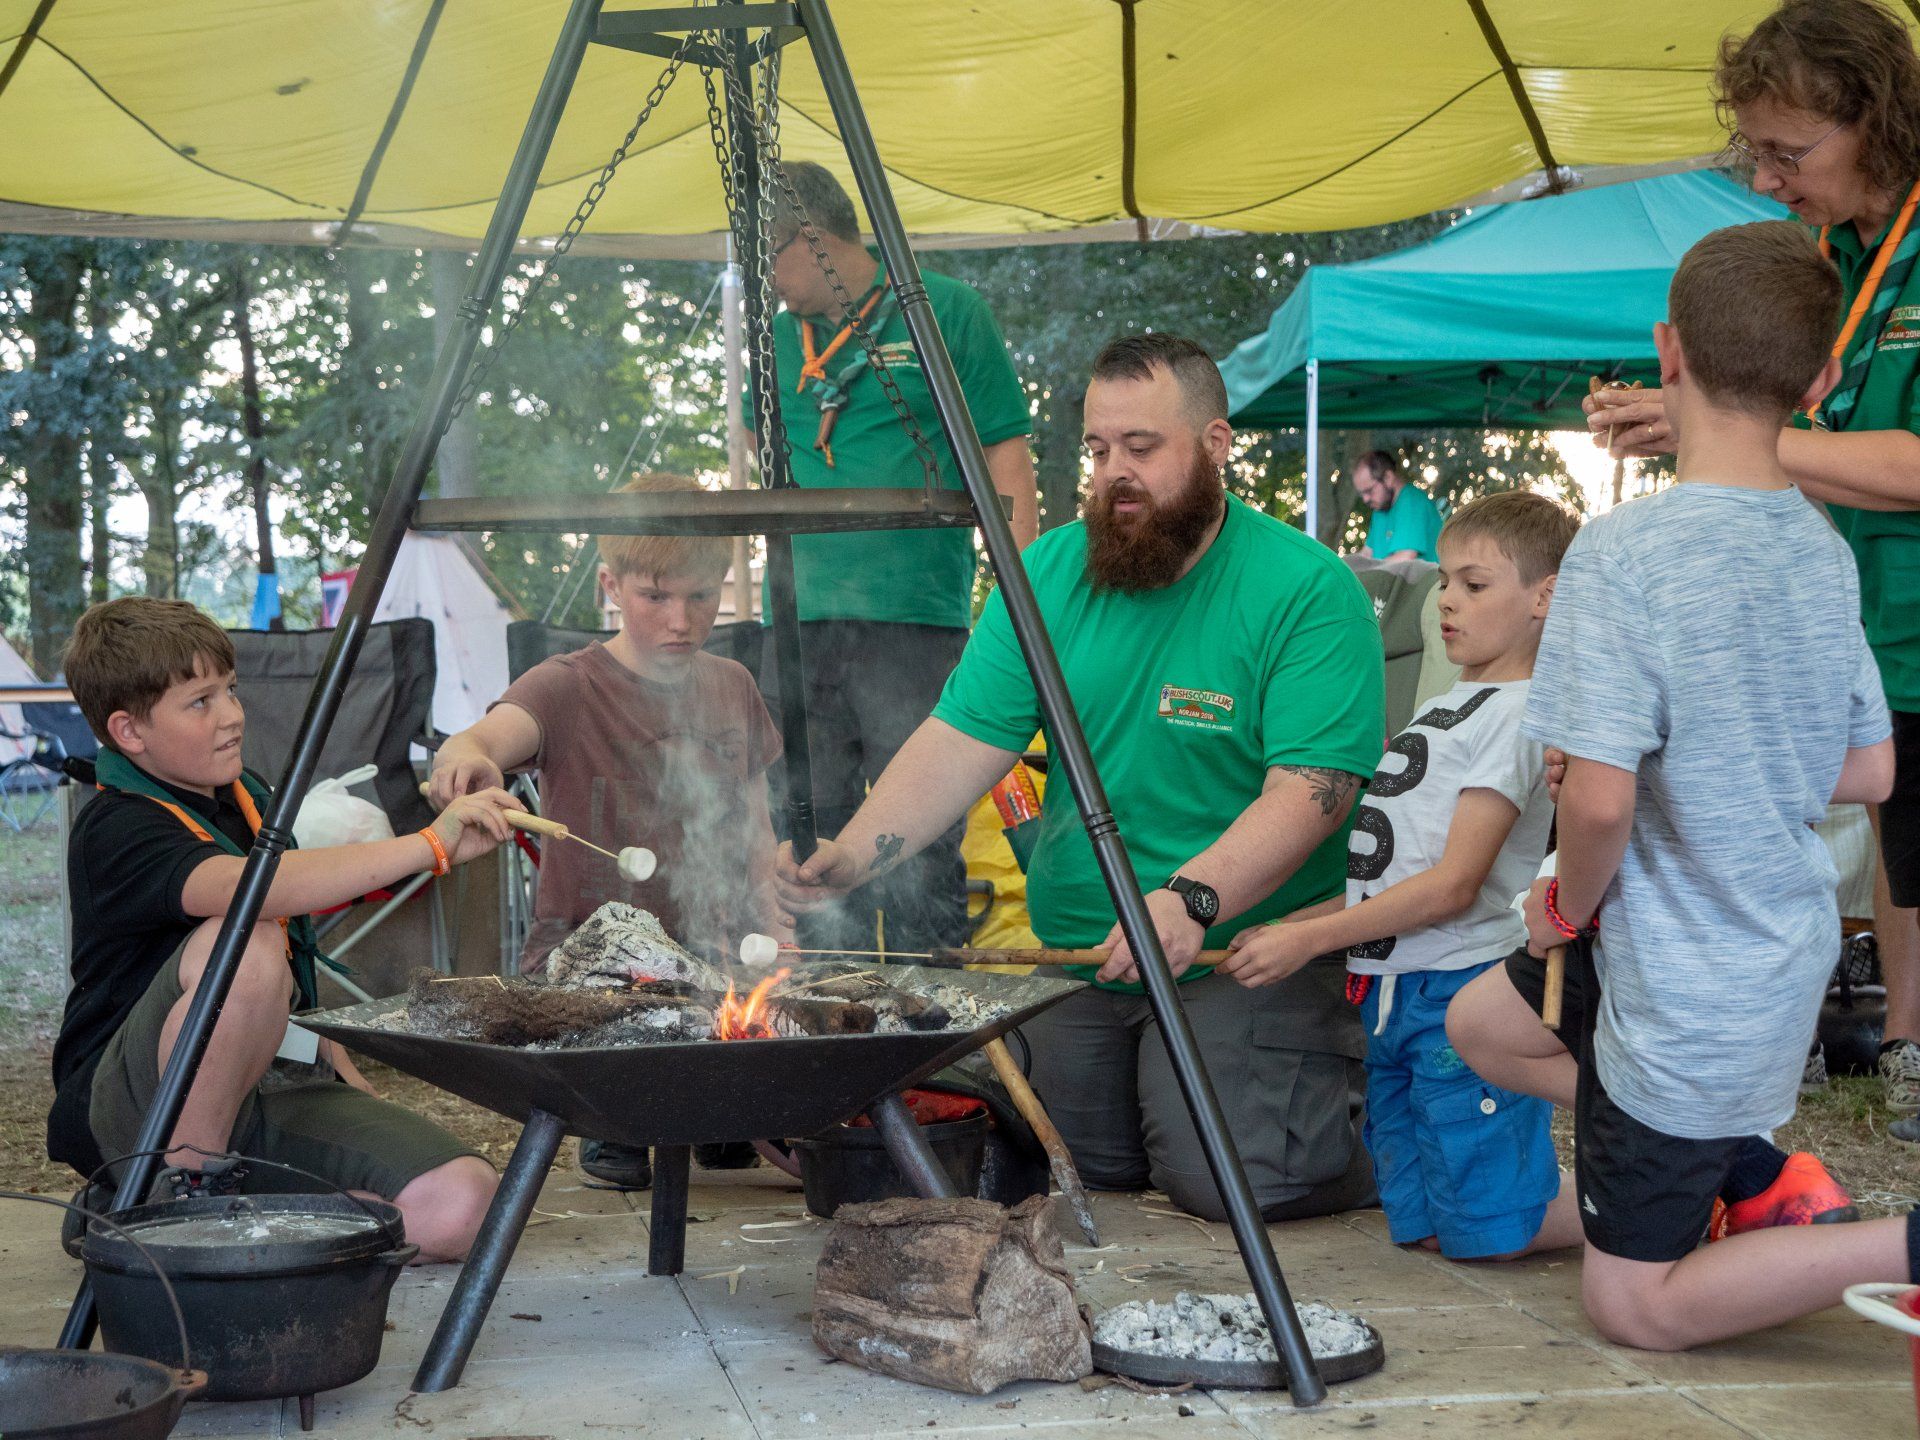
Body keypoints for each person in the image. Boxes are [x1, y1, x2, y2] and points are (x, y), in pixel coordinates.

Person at [776, 333, 1386, 1222]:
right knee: (1078, 1175)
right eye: (1099, 450)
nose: (1113, 475)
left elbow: (1312, 794)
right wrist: (853, 855)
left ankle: (1353, 1120)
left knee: (1230, 1185)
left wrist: (1189, 901)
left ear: (1216, 445)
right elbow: (960, 740)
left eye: (1142, 449)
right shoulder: (1049, 571)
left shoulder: (1306, 590)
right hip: (1078, 955)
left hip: (1233, 951)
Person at [1469, 222, 1913, 1352]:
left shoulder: (1622, 554)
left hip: (1683, 979)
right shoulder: (1822, 545)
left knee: (1632, 1310)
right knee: (1481, 1023)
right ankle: (1745, 1168)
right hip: (1767, 947)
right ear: (1819, 383)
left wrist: (1564, 901)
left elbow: (1603, 806)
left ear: (1668, 351)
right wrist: (1726, 748)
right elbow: (1870, 768)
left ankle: (1902, 1246)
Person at [1586, 0, 1920, 1139]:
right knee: (1897, 836)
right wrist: (1707, 422)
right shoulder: (1829, 255)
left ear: (1873, 119)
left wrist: (1725, 430)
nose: (1770, 180)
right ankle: (1903, 1054)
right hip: (1866, 611)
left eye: (1790, 152)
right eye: (1757, 154)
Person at [48, 598, 510, 1260]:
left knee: (465, 1205)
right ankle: (179, 1201)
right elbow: (254, 895)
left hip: (267, 1077)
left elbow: (287, 964)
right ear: (129, 731)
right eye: (200, 702)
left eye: (230, 690)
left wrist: (330, 1055)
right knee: (242, 940)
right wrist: (429, 846)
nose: (233, 715)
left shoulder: (249, 799)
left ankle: (208, 1215)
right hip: (135, 1103)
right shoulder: (116, 825)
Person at [1220, 491, 1583, 1262]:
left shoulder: (1519, 716)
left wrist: (1312, 938)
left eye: (1474, 585)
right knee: (1419, 1224)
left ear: (1545, 597)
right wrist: (1296, 924)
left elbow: (1454, 886)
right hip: (1391, 993)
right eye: (1445, 581)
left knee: (1491, 1231)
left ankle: (1663, 1207)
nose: (1446, 600)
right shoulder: (1450, 706)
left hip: (1460, 987)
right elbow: (1389, 876)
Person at [431, 472, 787, 1188]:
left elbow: (756, 826)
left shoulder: (732, 687)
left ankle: (718, 1107)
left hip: (712, 955)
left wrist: (777, 919)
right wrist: (463, 763)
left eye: (700, 597)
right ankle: (618, 1120)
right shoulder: (566, 685)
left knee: (743, 1019)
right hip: (587, 971)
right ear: (611, 585)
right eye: (656, 596)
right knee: (620, 1024)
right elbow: (478, 741)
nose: (680, 621)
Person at [765, 162, 1038, 957]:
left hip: (916, 620)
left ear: (814, 239)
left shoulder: (943, 311)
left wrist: (1022, 611)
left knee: (924, 839)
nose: (764, 282)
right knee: (807, 831)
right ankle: (818, 1016)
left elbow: (1006, 463)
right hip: (800, 621)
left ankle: (935, 1028)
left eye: (768, 257)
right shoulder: (773, 338)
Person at [1354, 450, 1444, 563]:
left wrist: (1366, 574)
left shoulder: (1412, 502)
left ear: (1388, 477)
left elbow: (1405, 558)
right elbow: (1366, 554)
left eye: (1369, 491)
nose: (1365, 499)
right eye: (1361, 494)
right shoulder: (1380, 509)